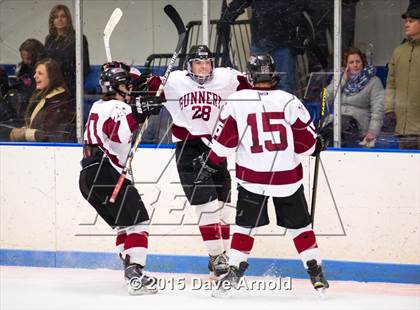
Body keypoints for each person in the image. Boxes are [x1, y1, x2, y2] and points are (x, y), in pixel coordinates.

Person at [193, 53, 329, 297]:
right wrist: (320, 142)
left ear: (250, 75)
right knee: (301, 227)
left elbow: (224, 144)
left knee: (245, 228)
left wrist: (210, 164)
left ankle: (233, 271)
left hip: (253, 180)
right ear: (273, 73)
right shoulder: (289, 100)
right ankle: (315, 270)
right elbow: (307, 147)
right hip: (287, 180)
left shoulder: (236, 101)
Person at [147, 45, 249, 278]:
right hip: (188, 149)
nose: (204, 67)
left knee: (224, 209)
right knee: (207, 206)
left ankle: (219, 258)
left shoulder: (226, 77)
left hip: (217, 148)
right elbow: (150, 87)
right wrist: (137, 78)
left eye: (207, 63)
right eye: (198, 63)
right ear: (189, 65)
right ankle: (217, 256)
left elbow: (253, 86)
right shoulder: (174, 80)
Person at [78, 61, 162, 295]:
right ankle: (134, 273)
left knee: (125, 225)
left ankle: (129, 268)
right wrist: (138, 112)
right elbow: (120, 134)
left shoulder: (97, 105)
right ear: (116, 86)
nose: (130, 89)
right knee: (139, 222)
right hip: (106, 171)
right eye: (126, 85)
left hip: (87, 176)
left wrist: (140, 108)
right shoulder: (120, 108)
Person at [219, 0, 310, 94]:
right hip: (271, 39)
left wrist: (229, 14)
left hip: (275, 39)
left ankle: (280, 107)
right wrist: (229, 14)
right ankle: (268, 106)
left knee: (268, 82)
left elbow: (302, 7)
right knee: (272, 82)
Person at [325, 47, 384, 147]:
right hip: (337, 124)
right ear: (346, 65)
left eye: (358, 61)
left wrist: (373, 131)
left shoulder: (374, 81)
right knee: (324, 132)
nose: (355, 65)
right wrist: (342, 81)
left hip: (359, 126)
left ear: (363, 62)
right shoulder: (340, 78)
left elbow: (378, 109)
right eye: (351, 62)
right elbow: (326, 98)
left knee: (341, 123)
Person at [7, 58, 75, 142]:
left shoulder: (62, 101)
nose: (35, 76)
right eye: (35, 72)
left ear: (52, 77)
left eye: (40, 73)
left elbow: (49, 134)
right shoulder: (41, 96)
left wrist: (24, 133)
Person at [383, 4, 420, 149]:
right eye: (406, 21)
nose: (406, 24)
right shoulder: (398, 52)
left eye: (411, 21)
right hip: (403, 131)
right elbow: (391, 84)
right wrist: (389, 110)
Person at [44, 4, 90, 96]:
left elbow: (84, 66)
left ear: (68, 19)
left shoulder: (78, 38)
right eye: (56, 17)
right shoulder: (49, 39)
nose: (59, 19)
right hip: (52, 85)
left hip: (71, 86)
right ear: (52, 20)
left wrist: (72, 86)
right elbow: (46, 63)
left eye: (63, 16)